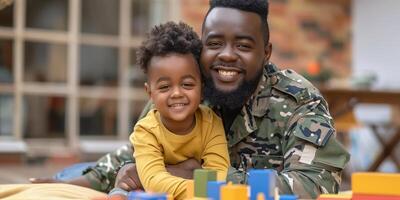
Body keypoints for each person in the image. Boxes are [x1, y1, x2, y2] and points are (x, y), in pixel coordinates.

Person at [32, 0, 350, 199]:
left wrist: (195, 176)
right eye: (214, 43)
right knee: (71, 176)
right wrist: (61, 186)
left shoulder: (298, 100)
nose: (226, 55)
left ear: (266, 52)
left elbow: (313, 187)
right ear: (202, 48)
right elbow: (129, 157)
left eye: (243, 45)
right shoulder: (184, 89)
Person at [110, 21, 229, 200]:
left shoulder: (211, 123)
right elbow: (154, 182)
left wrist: (187, 179)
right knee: (122, 191)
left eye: (187, 84)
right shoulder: (146, 130)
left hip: (175, 190)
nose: (176, 94)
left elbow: (220, 175)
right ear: (150, 93)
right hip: (147, 189)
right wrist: (192, 172)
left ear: (202, 88)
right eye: (165, 87)